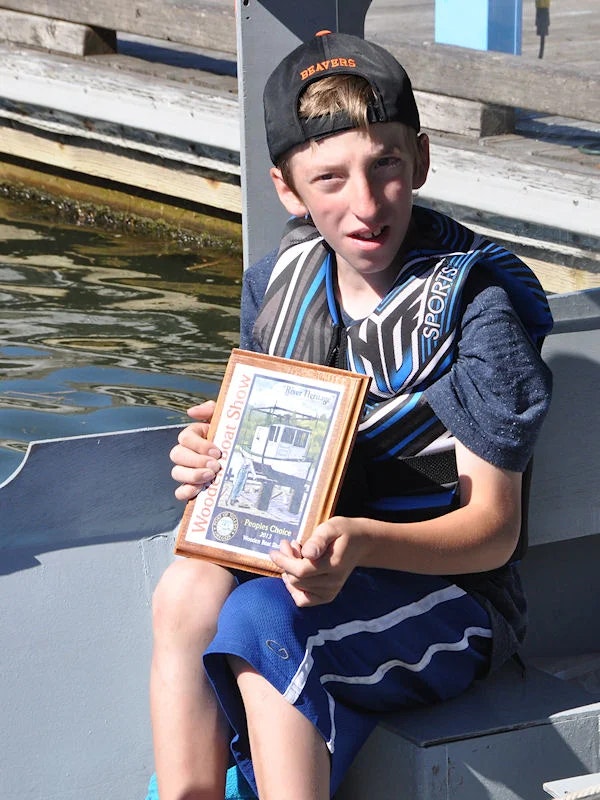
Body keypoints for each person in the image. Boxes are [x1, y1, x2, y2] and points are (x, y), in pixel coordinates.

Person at [150, 31, 553, 800]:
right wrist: (212, 459)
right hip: (313, 561)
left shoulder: (478, 306)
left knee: (266, 618)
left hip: (455, 597)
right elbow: (272, 461)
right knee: (187, 589)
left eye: (386, 167)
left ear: (422, 160)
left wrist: (362, 544)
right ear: (288, 190)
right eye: (329, 179)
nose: (364, 206)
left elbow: (495, 529)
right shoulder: (277, 285)